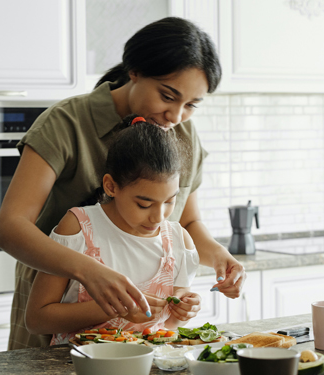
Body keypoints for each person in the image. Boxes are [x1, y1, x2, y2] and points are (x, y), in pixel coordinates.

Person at [0, 16, 247, 349]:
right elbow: (10, 227)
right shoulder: (66, 123)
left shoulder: (182, 133)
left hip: (140, 336)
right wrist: (89, 271)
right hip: (57, 307)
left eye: (191, 105)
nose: (176, 116)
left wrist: (218, 256)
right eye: (167, 96)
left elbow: (186, 221)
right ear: (135, 71)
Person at [25, 115, 201, 344]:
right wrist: (114, 308)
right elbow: (37, 319)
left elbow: (169, 326)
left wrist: (183, 312)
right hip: (77, 370)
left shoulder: (179, 242)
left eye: (170, 201)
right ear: (111, 186)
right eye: (144, 204)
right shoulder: (78, 228)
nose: (159, 216)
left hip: (149, 370)